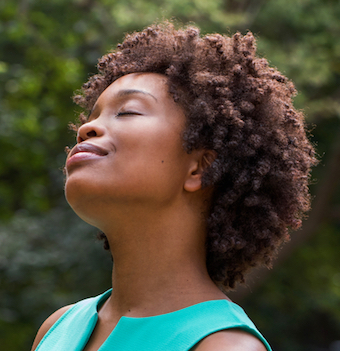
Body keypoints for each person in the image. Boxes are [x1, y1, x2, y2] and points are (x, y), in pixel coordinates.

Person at [31, 22, 317, 351]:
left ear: (198, 168)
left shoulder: (224, 346)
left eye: (127, 111)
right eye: (91, 117)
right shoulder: (57, 328)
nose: (87, 128)